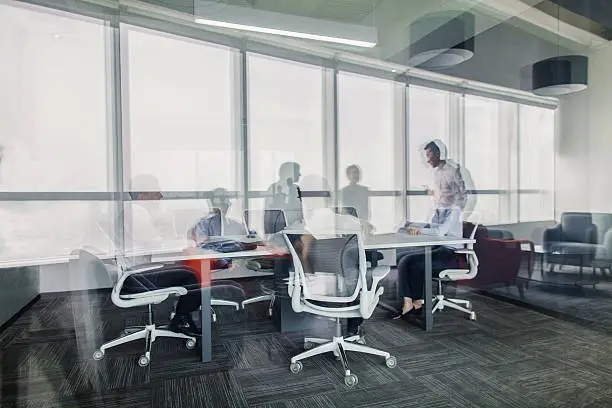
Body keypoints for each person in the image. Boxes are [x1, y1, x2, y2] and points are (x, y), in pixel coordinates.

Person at [122, 175, 201, 336]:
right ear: (143, 196)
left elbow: (154, 242)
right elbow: (155, 243)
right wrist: (187, 243)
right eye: (156, 193)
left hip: (136, 271)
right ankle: (180, 319)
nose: (161, 197)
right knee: (193, 276)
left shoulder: (135, 211)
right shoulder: (137, 214)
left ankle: (181, 316)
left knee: (184, 270)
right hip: (139, 276)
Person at [392, 205, 463, 319]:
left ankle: (417, 302)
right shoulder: (438, 209)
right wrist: (412, 225)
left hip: (450, 253)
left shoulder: (454, 210)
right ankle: (408, 302)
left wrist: (419, 230)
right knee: (402, 258)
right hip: (438, 248)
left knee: (413, 263)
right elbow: (429, 224)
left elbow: (440, 231)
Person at [424, 140, 468, 210]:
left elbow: (463, 194)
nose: (428, 160)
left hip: (451, 214)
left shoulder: (452, 171)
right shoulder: (436, 173)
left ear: (437, 154)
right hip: (439, 213)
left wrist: (456, 213)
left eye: (428, 155)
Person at [265, 162, 303, 226]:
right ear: (289, 172)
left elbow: (301, 211)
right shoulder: (273, 189)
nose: (300, 174)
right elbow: (268, 215)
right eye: (297, 172)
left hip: (297, 229)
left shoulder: (296, 188)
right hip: (279, 230)